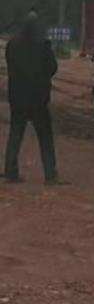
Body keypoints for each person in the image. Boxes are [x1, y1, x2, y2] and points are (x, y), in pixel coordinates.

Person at [4, 12, 59, 185]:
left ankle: (10, 172)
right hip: (38, 99)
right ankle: (50, 175)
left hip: (18, 98)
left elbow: (11, 67)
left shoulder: (12, 46)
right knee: (45, 137)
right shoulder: (43, 46)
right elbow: (53, 68)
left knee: (15, 135)